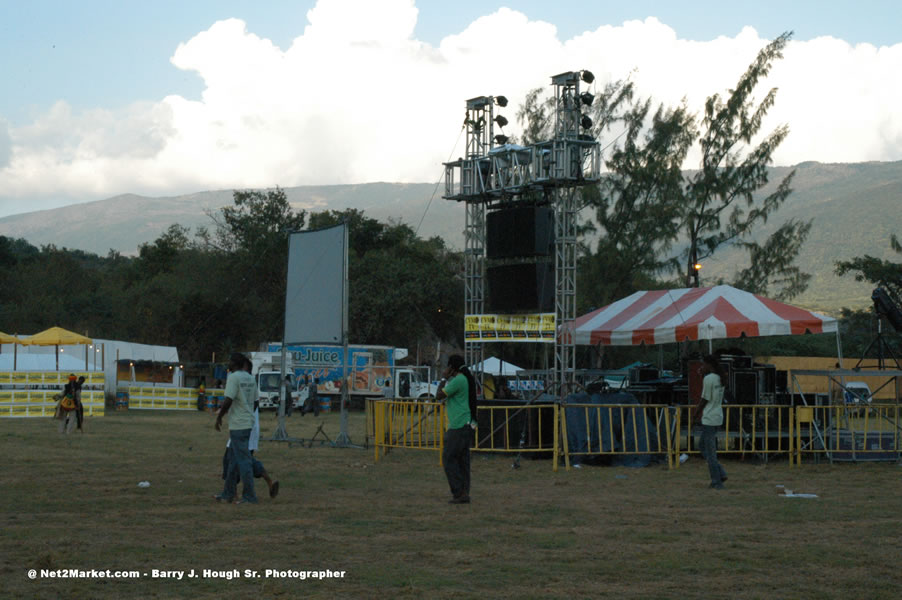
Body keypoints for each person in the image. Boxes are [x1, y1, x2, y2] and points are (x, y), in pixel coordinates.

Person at [222, 358, 279, 499]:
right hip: (248, 426)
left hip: (244, 426)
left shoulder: (242, 380)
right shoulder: (248, 381)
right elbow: (253, 404)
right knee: (241, 459)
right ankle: (268, 482)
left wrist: (221, 415)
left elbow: (235, 401)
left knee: (237, 460)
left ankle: (238, 494)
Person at [214, 353, 258, 504]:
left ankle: (250, 496)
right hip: (247, 423)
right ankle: (228, 494)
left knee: (244, 463)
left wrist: (220, 416)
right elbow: (256, 402)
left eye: (230, 361)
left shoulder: (233, 377)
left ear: (235, 363)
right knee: (233, 461)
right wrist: (248, 414)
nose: (229, 364)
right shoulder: (251, 378)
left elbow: (228, 400)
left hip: (238, 425)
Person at [436, 354, 477, 504]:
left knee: (448, 458)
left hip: (458, 424)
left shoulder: (458, 380)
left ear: (452, 368)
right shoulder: (464, 379)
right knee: (462, 461)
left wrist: (443, 379)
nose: (446, 369)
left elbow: (438, 396)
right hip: (468, 423)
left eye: (448, 367)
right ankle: (464, 492)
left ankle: (458, 492)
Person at [692, 354, 728, 490]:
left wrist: (695, 414)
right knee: (703, 446)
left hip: (709, 418)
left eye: (703, 364)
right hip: (717, 416)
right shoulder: (719, 377)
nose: (702, 366)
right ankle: (720, 473)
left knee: (709, 451)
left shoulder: (709, 378)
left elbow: (704, 399)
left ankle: (716, 481)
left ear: (708, 364)